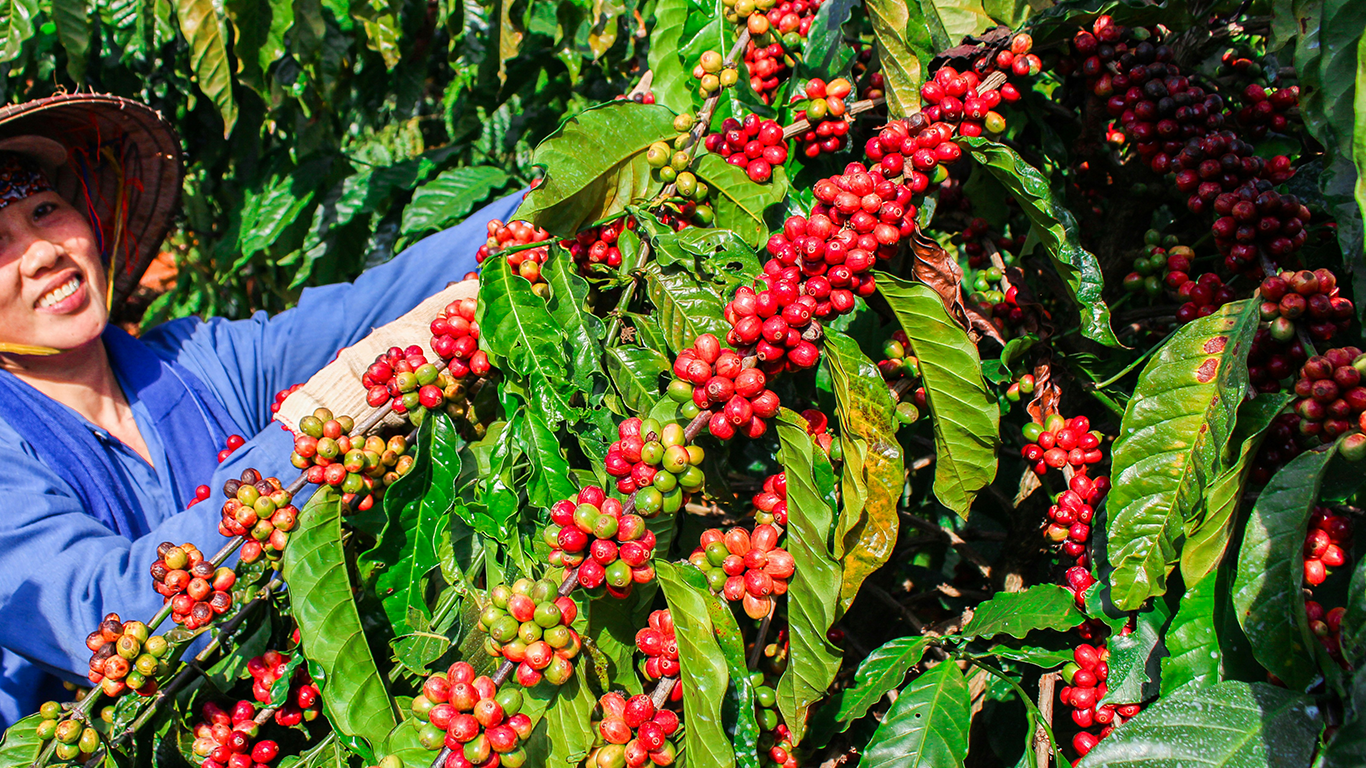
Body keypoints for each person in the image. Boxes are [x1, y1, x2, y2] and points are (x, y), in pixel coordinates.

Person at [0, 94, 518, 727]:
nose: (42, 251)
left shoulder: (194, 362)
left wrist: (565, 190)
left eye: (46, 210)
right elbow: (106, 618)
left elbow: (370, 305)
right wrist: (318, 421)